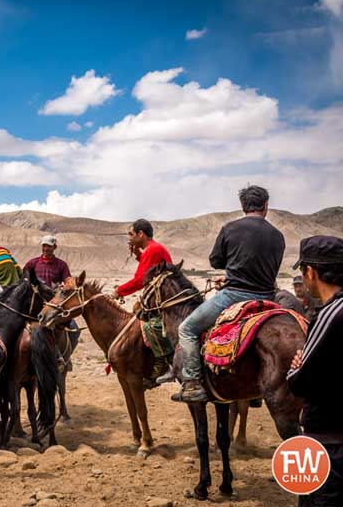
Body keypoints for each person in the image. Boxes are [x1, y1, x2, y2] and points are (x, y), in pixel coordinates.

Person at [172, 185, 285, 403]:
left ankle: (193, 382)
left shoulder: (230, 228)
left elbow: (216, 261)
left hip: (234, 295)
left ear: (243, 206)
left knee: (187, 329)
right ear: (266, 206)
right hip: (268, 298)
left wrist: (233, 266)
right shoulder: (278, 236)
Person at [287, 235, 343, 506]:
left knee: (188, 329)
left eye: (302, 272)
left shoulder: (331, 313)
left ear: (311, 272)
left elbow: (297, 382)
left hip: (327, 444)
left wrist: (297, 366)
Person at [110, 219, 172, 299]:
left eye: (131, 234)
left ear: (140, 234)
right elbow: (152, 267)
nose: (129, 239)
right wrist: (138, 254)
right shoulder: (154, 247)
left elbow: (141, 280)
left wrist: (119, 291)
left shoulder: (153, 249)